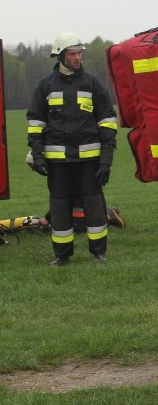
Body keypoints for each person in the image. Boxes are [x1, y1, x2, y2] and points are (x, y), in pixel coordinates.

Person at [26, 33, 118, 266]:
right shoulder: (45, 85)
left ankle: (99, 252)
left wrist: (106, 161)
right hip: (58, 163)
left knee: (95, 207)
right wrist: (38, 157)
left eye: (79, 53)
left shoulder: (92, 84)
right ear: (61, 56)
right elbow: (35, 123)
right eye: (72, 54)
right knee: (59, 209)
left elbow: (107, 121)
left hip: (90, 161)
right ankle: (62, 255)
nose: (78, 58)